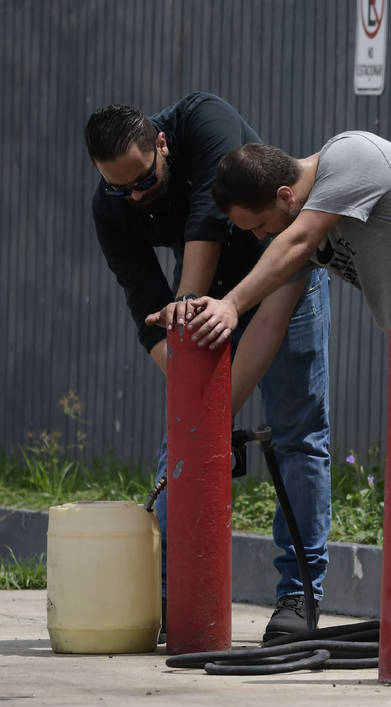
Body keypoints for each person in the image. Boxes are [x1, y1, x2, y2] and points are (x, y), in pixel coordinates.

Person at [85, 93, 333, 642]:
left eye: (142, 182)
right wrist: (194, 395)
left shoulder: (204, 119)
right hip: (204, 308)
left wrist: (195, 305)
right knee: (187, 436)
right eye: (117, 188)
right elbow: (146, 306)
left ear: (162, 146)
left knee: (297, 435)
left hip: (279, 281)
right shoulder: (111, 209)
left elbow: (208, 222)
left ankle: (300, 594)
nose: (133, 198)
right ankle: (173, 590)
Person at [147, 131, 391, 377]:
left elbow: (297, 240)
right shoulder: (308, 233)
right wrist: (217, 417)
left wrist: (230, 304)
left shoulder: (352, 154)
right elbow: (268, 324)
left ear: (285, 196)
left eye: (260, 224)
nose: (261, 236)